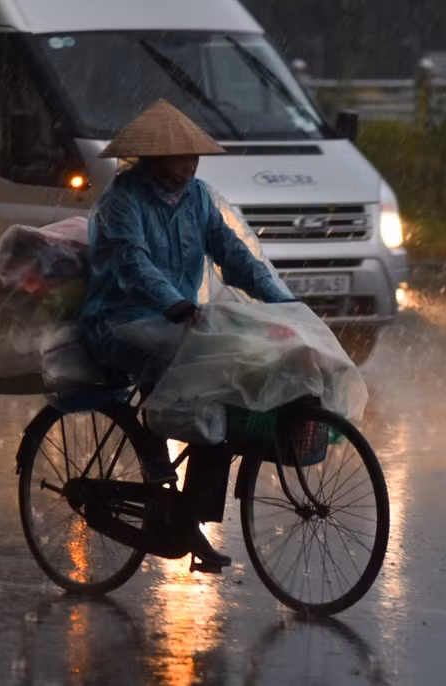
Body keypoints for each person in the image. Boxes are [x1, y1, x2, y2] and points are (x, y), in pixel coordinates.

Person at [78, 99, 293, 568]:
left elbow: (232, 254)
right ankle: (163, 498)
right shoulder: (122, 202)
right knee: (199, 377)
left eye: (194, 157)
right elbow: (133, 263)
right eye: (181, 157)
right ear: (154, 158)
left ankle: (187, 516)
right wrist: (173, 303)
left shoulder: (197, 198)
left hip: (175, 319)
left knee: (222, 388)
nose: (190, 165)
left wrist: (282, 301)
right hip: (120, 321)